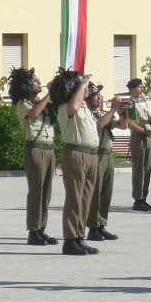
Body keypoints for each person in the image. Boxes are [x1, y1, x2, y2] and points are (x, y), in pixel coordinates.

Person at [51, 70, 100, 256]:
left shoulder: (85, 107)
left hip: (90, 155)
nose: (87, 88)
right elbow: (73, 107)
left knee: (85, 199)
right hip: (76, 154)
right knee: (74, 198)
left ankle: (79, 236)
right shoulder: (65, 106)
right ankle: (70, 240)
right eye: (82, 85)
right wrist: (81, 85)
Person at [9, 67, 58, 246]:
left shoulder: (42, 101)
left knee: (46, 192)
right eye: (35, 81)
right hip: (35, 148)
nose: (39, 83)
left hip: (49, 148)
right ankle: (33, 230)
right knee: (36, 191)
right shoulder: (23, 103)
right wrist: (49, 94)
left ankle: (41, 228)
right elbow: (33, 113)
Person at [86, 84, 126, 240]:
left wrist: (122, 112)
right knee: (95, 191)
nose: (99, 98)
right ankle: (92, 227)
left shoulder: (104, 113)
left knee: (106, 192)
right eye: (96, 95)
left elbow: (123, 126)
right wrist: (113, 110)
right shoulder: (88, 114)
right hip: (96, 154)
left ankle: (101, 224)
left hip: (108, 154)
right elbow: (99, 125)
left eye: (100, 95)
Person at [127, 78, 151, 211]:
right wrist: (147, 131)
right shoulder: (130, 104)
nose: (142, 89)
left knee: (147, 168)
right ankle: (138, 199)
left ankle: (143, 198)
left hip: (147, 137)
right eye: (139, 87)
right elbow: (131, 124)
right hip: (138, 138)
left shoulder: (143, 102)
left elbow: (147, 119)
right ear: (132, 89)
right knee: (139, 169)